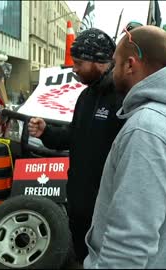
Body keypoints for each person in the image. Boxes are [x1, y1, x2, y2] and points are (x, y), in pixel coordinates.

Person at [83, 25, 166, 268]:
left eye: (116, 63)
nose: (112, 70)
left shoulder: (148, 128)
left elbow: (128, 245)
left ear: (130, 65)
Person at [27, 28, 124, 264]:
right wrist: (47, 132)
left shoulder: (124, 98)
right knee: (82, 258)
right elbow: (74, 135)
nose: (74, 68)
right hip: (78, 203)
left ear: (99, 61)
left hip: (107, 209)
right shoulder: (86, 96)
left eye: (79, 62)